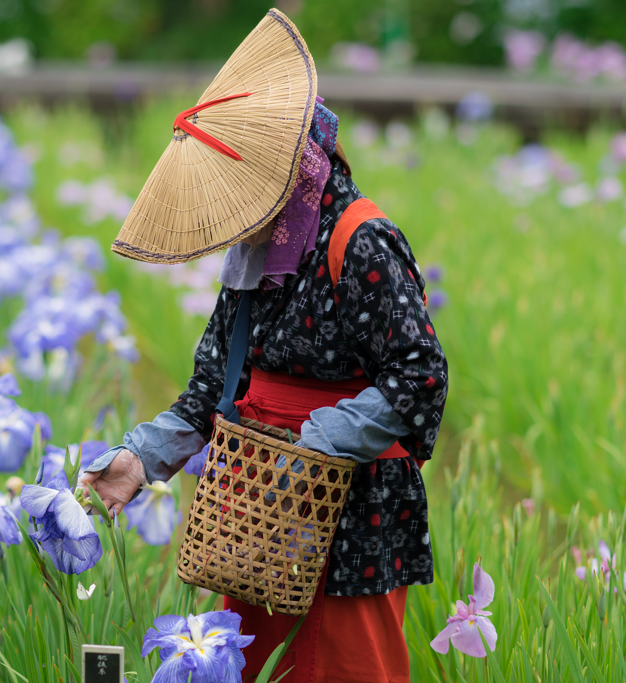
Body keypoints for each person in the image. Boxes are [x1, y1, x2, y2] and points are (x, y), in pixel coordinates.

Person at [80, 9, 447, 683]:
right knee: (252, 665)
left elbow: (419, 375)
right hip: (255, 510)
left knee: (343, 669)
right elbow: (212, 388)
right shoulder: (257, 254)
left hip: (349, 510)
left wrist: (310, 450)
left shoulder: (360, 241)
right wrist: (139, 458)